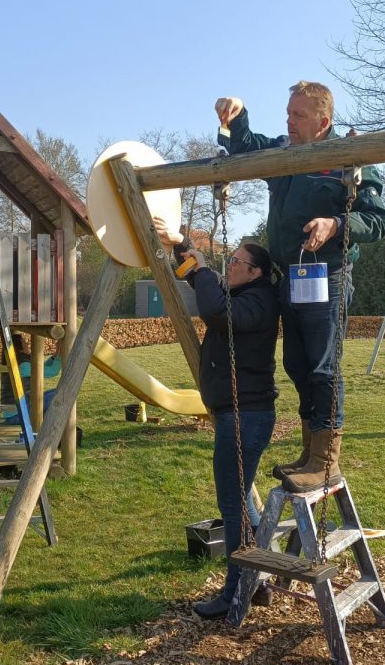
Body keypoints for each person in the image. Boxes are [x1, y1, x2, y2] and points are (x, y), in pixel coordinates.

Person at [214, 81, 385, 493]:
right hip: (288, 278)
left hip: (327, 278)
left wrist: (337, 224)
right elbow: (246, 148)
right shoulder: (283, 151)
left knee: (322, 367)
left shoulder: (350, 157)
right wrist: (236, 117)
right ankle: (311, 450)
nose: (289, 122)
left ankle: (326, 460)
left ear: (323, 121)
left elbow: (378, 221)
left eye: (299, 115)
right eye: (288, 113)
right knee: (296, 364)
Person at [155, 219, 280, 619]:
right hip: (240, 414)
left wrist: (205, 268)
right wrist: (182, 246)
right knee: (241, 498)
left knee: (232, 505)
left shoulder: (259, 302)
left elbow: (214, 308)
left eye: (238, 261)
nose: (231, 265)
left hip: (245, 417)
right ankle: (259, 579)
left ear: (255, 271)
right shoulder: (248, 295)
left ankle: (234, 593)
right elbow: (206, 289)